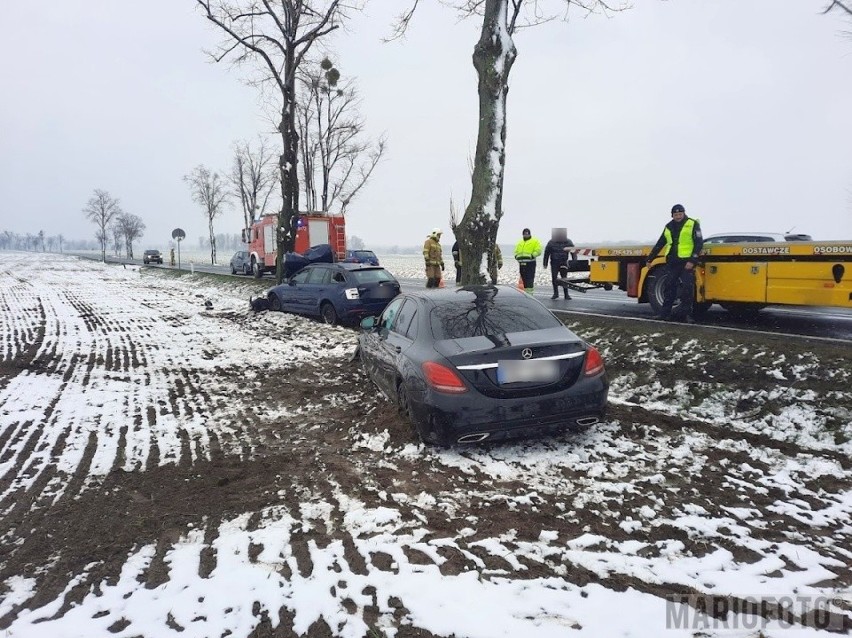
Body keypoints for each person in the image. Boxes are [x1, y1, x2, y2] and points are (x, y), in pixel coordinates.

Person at [646, 203, 704, 323]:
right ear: (672, 215)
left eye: (680, 214)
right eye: (676, 214)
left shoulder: (692, 224)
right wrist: (650, 259)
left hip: (686, 262)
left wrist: (692, 260)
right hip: (672, 261)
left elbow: (698, 243)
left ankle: (687, 315)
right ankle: (664, 314)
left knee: (687, 289)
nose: (678, 216)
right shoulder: (669, 226)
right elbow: (660, 243)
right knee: (669, 287)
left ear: (684, 213)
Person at [542, 228, 575, 299]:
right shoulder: (551, 242)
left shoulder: (568, 241)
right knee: (554, 278)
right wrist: (545, 263)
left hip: (564, 262)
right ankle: (555, 293)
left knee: (564, 278)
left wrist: (574, 261)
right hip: (554, 262)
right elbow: (546, 253)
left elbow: (573, 252)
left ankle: (566, 294)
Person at [514, 228, 542, 294]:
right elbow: (516, 251)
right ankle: (525, 293)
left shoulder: (535, 241)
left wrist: (532, 255)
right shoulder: (520, 242)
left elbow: (538, 250)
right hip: (521, 263)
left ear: (529, 234)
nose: (526, 235)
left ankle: (530, 294)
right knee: (524, 279)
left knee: (530, 279)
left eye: (527, 234)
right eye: (524, 234)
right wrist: (516, 257)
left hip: (530, 263)